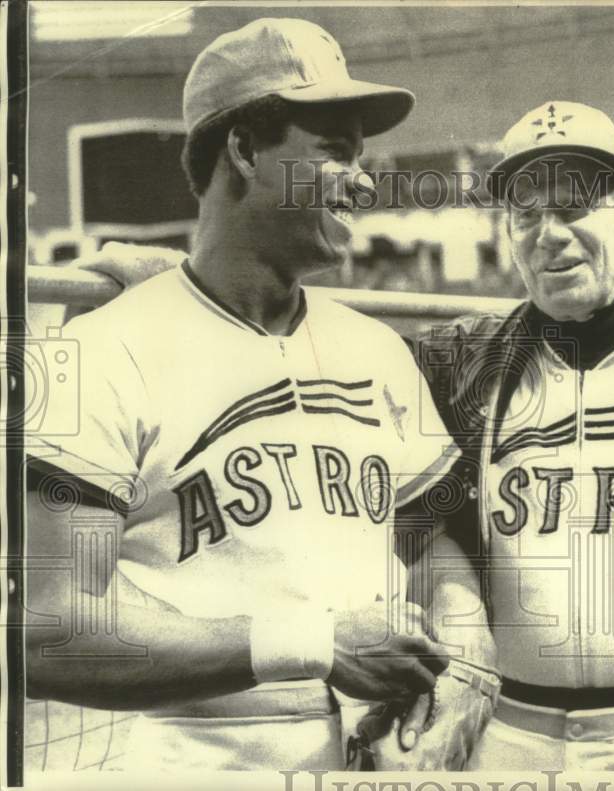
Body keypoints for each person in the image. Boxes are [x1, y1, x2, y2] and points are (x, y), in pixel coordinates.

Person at [62, 100, 614, 772]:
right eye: (527, 215)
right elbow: (294, 348)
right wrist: (176, 283)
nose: (551, 235)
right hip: (507, 732)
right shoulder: (456, 359)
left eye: (574, 207)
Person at [24, 18, 468, 771]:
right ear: (244, 149)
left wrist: (468, 643)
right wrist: (311, 642)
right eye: (333, 151)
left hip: (366, 755)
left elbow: (435, 543)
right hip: (192, 754)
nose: (364, 180)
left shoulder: (379, 350)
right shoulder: (98, 349)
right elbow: (46, 627)